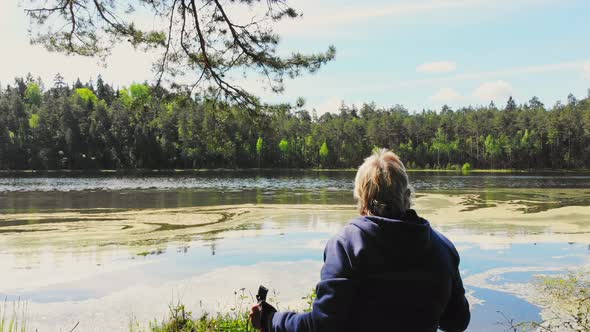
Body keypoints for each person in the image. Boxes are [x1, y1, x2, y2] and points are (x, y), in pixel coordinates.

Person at [250, 149, 470, 332]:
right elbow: (457, 322)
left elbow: (322, 325)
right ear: (407, 195)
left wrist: (272, 320)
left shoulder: (346, 245)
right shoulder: (443, 248)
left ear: (362, 197)